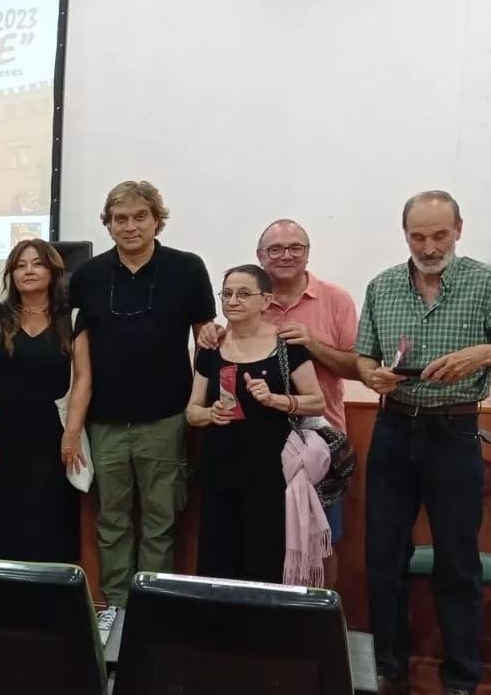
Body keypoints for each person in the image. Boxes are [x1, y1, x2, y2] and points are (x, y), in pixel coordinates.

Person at [356, 191, 491, 695]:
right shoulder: (383, 287)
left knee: (458, 560)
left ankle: (461, 677)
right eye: (418, 236)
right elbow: (362, 357)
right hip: (394, 429)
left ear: (459, 230)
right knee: (382, 557)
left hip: (454, 431)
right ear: (405, 234)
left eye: (439, 234)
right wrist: (370, 375)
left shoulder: (485, 283)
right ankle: (387, 666)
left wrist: (483, 354)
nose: (429, 246)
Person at [68, 180, 216, 632]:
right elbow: (78, 358)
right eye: (120, 219)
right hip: (105, 421)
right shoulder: (87, 276)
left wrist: (201, 405)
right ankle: (115, 609)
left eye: (139, 217)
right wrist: (72, 426)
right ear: (108, 224)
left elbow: (206, 342)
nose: (129, 227)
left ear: (157, 219)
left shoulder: (188, 269)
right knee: (111, 521)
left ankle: (151, 609)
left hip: (166, 419)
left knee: (160, 520)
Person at [198, 218, 360, 582]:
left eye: (295, 248)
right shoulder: (247, 298)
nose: (286, 255)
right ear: (260, 256)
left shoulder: (335, 299)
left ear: (307, 253)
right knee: (254, 545)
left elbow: (358, 366)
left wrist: (311, 344)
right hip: (249, 450)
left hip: (316, 444)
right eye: (275, 249)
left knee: (320, 540)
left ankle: (317, 627)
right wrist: (210, 331)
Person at [186, 265, 325, 584]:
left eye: (243, 294)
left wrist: (276, 400)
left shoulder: (287, 344)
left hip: (272, 471)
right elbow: (192, 411)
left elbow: (316, 401)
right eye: (227, 294)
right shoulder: (211, 347)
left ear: (266, 301)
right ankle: (220, 630)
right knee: (218, 560)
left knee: (264, 559)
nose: (233, 301)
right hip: (220, 468)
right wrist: (211, 414)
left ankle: (262, 632)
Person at [0, 239, 89, 563]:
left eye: (36, 263)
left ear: (52, 270)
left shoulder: (72, 320)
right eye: (20, 265)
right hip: (2, 438)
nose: (29, 271)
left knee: (49, 521)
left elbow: (83, 379)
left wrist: (72, 432)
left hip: (54, 437)